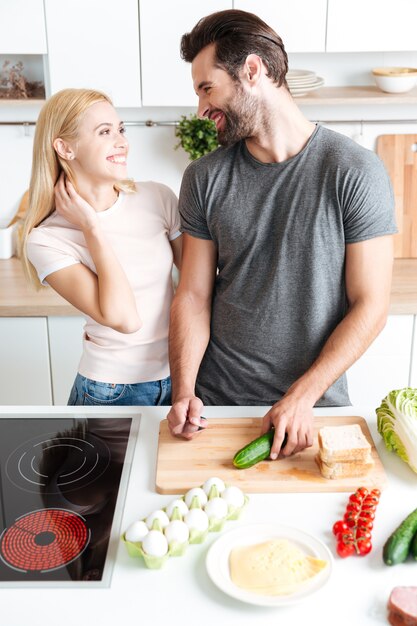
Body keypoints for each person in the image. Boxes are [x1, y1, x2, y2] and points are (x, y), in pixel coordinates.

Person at [166, 10, 397, 456]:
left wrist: (303, 395)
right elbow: (192, 295)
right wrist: (183, 391)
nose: (201, 109)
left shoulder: (352, 171)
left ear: (252, 71)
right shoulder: (203, 177)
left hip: (315, 408)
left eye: (207, 88)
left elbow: (372, 304)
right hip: (217, 408)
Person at [22, 88, 182, 406]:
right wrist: (91, 228)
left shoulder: (158, 198)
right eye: (105, 132)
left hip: (182, 378)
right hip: (110, 391)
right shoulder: (46, 239)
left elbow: (197, 287)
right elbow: (125, 319)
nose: (122, 142)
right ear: (65, 148)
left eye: (120, 129)